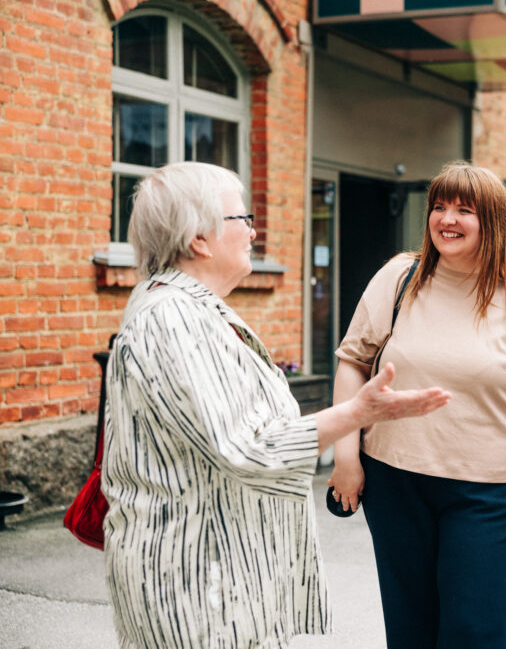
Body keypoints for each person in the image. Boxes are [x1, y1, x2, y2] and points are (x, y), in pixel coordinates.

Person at [102, 162, 450, 648]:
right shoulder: (173, 320)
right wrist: (359, 412)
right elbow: (246, 448)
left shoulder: (192, 309)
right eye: (241, 219)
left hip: (216, 574)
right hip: (199, 583)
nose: (252, 231)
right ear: (199, 239)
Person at [329, 161, 506, 648]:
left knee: (476, 633)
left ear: (493, 222)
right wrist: (346, 457)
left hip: (487, 495)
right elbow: (353, 362)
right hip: (394, 481)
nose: (448, 219)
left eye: (465, 210)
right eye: (439, 206)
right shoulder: (400, 278)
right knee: (410, 629)